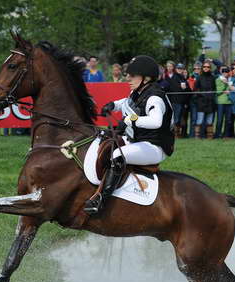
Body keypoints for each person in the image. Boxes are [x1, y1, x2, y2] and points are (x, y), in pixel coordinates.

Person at [84, 55, 174, 214]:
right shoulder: (139, 92)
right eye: (128, 75)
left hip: (154, 147)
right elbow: (126, 103)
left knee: (118, 155)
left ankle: (101, 200)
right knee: (105, 140)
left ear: (146, 78)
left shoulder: (155, 97)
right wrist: (113, 105)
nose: (128, 78)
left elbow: (156, 121)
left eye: (132, 75)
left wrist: (129, 120)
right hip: (139, 140)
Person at [164, 61, 188, 137]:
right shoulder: (164, 76)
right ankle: (168, 134)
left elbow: (186, 86)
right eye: (168, 66)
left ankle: (176, 134)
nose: (169, 68)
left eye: (171, 66)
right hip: (167, 100)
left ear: (173, 67)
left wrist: (185, 87)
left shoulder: (179, 76)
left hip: (177, 100)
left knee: (177, 118)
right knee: (168, 118)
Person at [194, 61, 217, 138]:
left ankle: (209, 137)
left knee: (209, 121)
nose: (206, 68)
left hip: (210, 102)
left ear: (210, 68)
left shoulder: (213, 78)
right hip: (201, 102)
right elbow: (195, 90)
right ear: (202, 68)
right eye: (204, 67)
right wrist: (202, 94)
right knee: (199, 121)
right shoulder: (199, 78)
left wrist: (211, 95)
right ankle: (197, 137)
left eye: (208, 67)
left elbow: (214, 89)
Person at [214, 65, 232, 139]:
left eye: (227, 72)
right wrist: (224, 85)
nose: (225, 73)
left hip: (229, 102)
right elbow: (217, 91)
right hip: (220, 102)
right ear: (221, 72)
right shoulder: (218, 80)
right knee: (219, 120)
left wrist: (228, 84)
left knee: (228, 120)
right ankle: (217, 135)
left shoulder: (230, 80)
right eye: (224, 72)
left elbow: (232, 90)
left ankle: (226, 135)